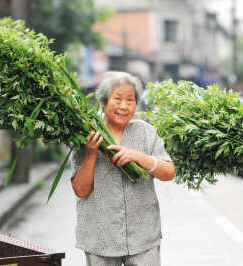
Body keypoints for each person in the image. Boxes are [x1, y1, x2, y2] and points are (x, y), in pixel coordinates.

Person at [70, 71, 175, 266]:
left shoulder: (146, 132)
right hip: (100, 239)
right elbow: (81, 190)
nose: (124, 106)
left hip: (143, 238)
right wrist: (91, 152)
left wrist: (136, 156)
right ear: (103, 102)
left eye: (130, 100)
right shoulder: (87, 135)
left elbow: (168, 172)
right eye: (117, 99)